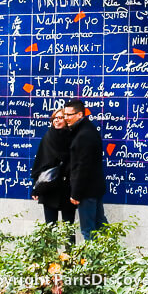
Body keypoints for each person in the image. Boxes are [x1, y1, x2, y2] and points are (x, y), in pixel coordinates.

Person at [64, 98, 108, 240]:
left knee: (89, 230)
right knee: (100, 225)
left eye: (69, 115)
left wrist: (76, 193)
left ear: (80, 115)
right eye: (65, 115)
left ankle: (94, 261)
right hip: (94, 189)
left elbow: (83, 167)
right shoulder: (87, 130)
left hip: (86, 191)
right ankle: (111, 258)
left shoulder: (83, 134)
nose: (66, 118)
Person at [31, 108, 76, 234]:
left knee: (68, 229)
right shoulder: (48, 137)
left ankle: (70, 253)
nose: (56, 120)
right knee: (50, 228)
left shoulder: (73, 137)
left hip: (67, 187)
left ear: (66, 120)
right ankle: (51, 253)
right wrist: (35, 187)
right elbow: (40, 162)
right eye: (54, 118)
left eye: (60, 118)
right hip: (49, 187)